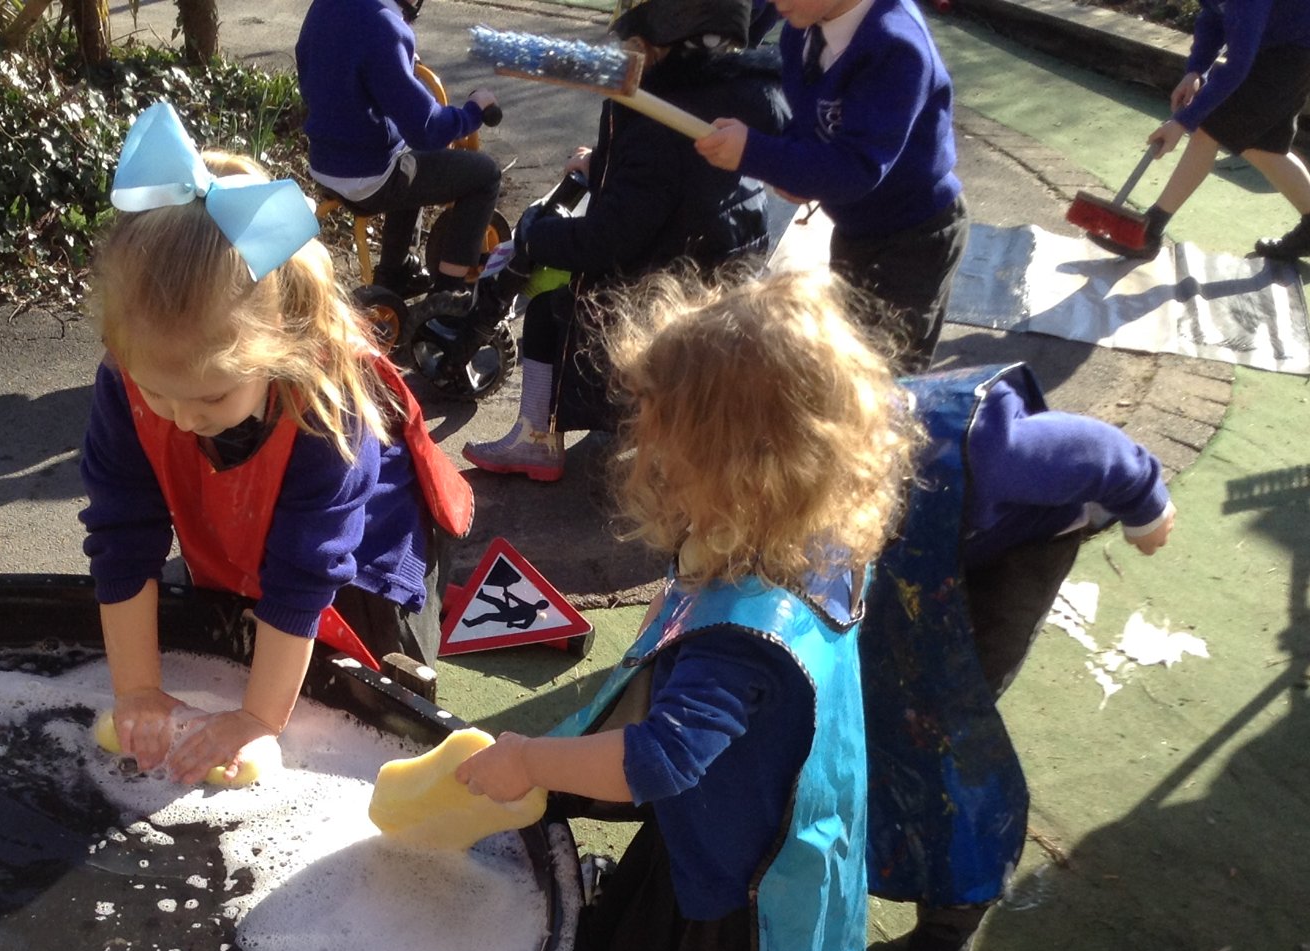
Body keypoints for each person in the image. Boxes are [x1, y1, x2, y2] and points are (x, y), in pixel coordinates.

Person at [457, 266, 912, 951]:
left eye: (666, 439)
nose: (645, 450)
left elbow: (663, 758)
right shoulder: (805, 537)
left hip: (755, 881)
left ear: (737, 464)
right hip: (708, 839)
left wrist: (533, 761)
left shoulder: (746, 633)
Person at [79, 104, 473, 786]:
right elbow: (124, 534)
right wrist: (138, 689)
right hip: (238, 528)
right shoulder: (126, 381)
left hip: (361, 563)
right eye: (158, 394)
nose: (179, 419)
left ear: (280, 350)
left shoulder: (326, 400)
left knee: (368, 717)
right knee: (227, 635)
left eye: (208, 399)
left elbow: (305, 575)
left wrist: (259, 722)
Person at [863, 364, 1173, 951]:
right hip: (901, 550)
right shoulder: (758, 472)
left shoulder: (983, 447)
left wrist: (1147, 509)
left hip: (1017, 544)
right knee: (859, 699)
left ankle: (955, 908)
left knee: (947, 719)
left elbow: (1104, 455)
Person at [462, 0, 786, 483]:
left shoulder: (661, 125)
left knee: (554, 312)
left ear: (660, 41)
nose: (625, 54)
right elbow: (676, 188)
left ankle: (536, 439)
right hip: (719, 273)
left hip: (664, 298)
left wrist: (537, 234)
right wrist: (606, 167)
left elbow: (607, 240)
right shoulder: (736, 95)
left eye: (634, 46)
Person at [692, 0, 965, 372]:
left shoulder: (895, 47)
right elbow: (809, 126)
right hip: (858, 227)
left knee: (885, 373)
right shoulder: (801, 29)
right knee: (847, 354)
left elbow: (857, 168)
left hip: (915, 234)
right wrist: (794, 167)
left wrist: (756, 153)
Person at [296, 0, 502, 308]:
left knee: (413, 158)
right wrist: (472, 112)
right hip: (368, 177)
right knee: (485, 175)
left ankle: (397, 270)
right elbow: (428, 128)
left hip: (325, 161)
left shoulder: (326, 6)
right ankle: (449, 296)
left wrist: (396, 65)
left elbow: (319, 64)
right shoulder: (386, 26)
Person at [1133, 0, 1310, 261]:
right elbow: (1213, 14)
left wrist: (1182, 122)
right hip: (1285, 29)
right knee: (1262, 143)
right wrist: (1195, 70)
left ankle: (1149, 230)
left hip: (1309, 38)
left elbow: (1238, 66)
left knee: (1210, 128)